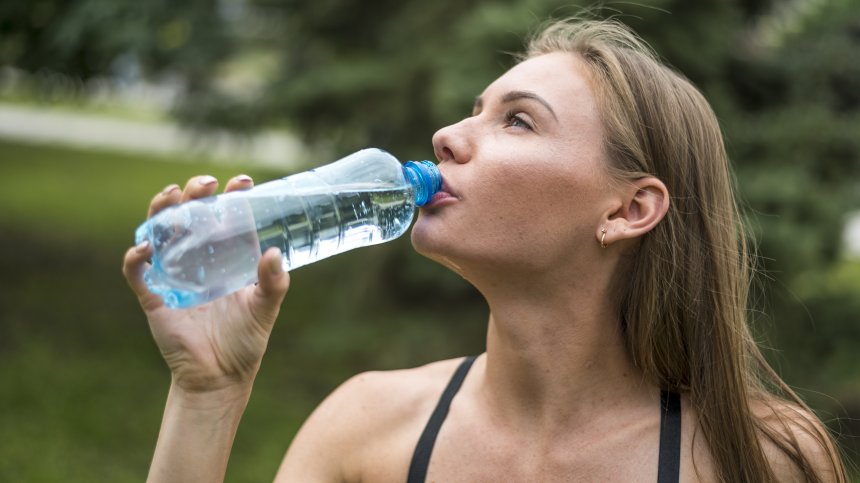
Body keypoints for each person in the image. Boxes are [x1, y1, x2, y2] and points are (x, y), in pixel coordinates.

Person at [123, 18, 847, 482]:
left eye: (519, 122)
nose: (446, 136)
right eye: (474, 110)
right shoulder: (367, 428)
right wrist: (206, 398)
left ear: (628, 209)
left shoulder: (762, 458)